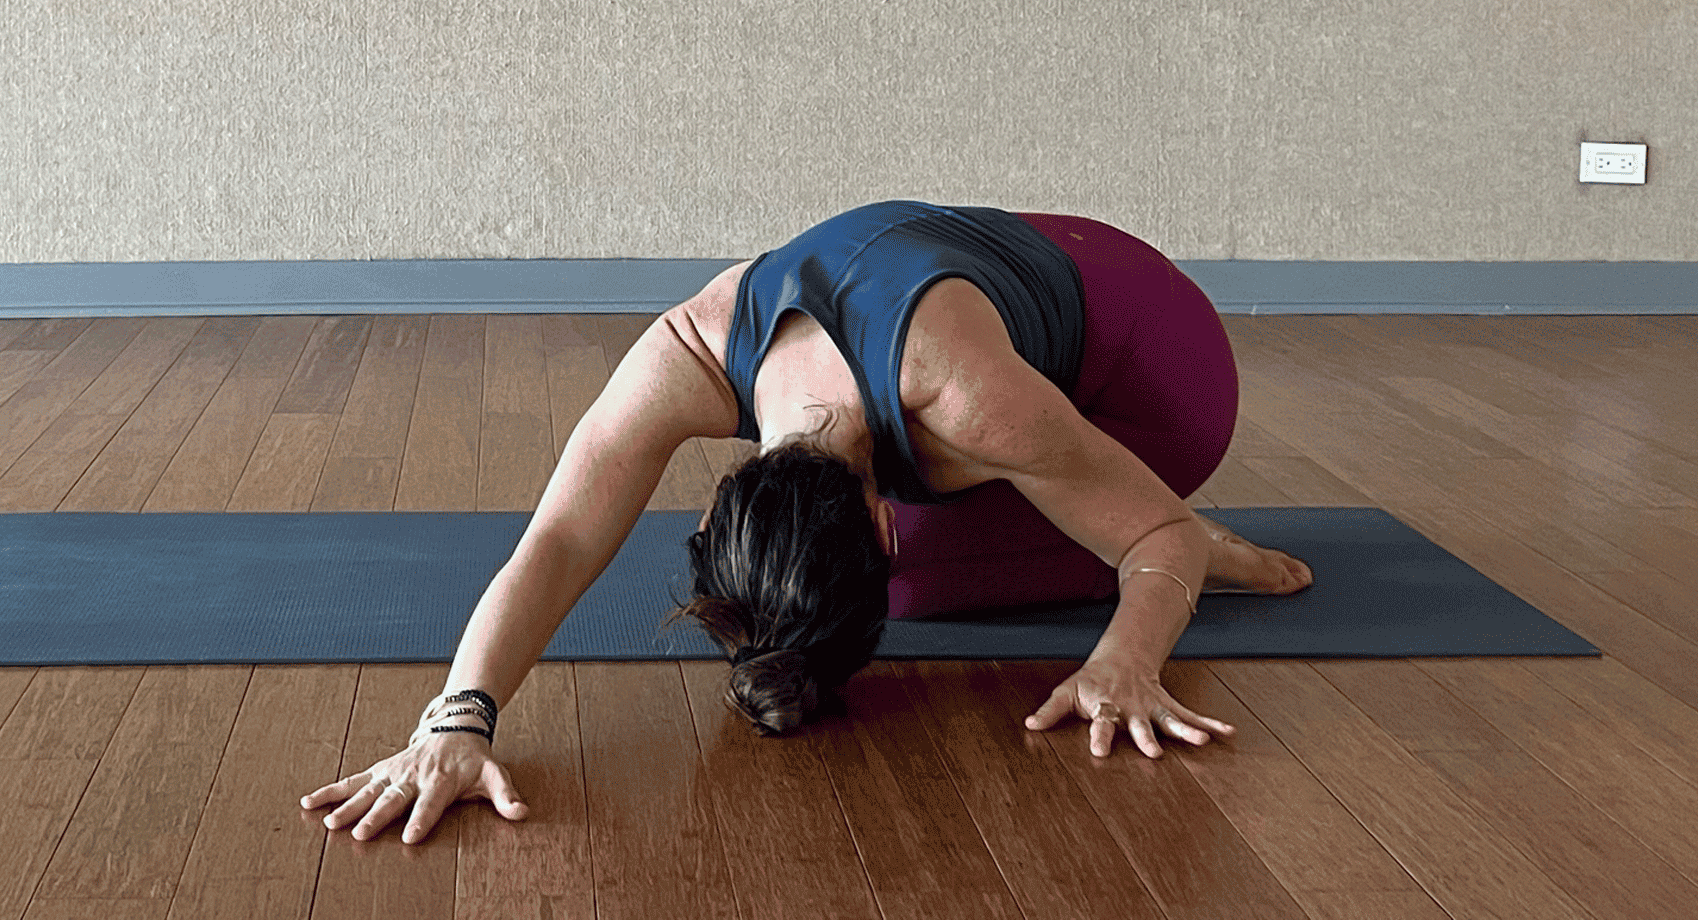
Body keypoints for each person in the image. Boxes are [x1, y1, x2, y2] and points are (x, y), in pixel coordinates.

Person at [300, 201, 1313, 844]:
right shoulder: (688, 348)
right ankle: (1085, 506)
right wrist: (455, 719)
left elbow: (1159, 544)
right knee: (829, 596)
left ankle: (1120, 501)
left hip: (1156, 361)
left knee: (923, 588)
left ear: (879, 522)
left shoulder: (965, 405)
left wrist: (1130, 649)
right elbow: (560, 539)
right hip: (1008, 299)